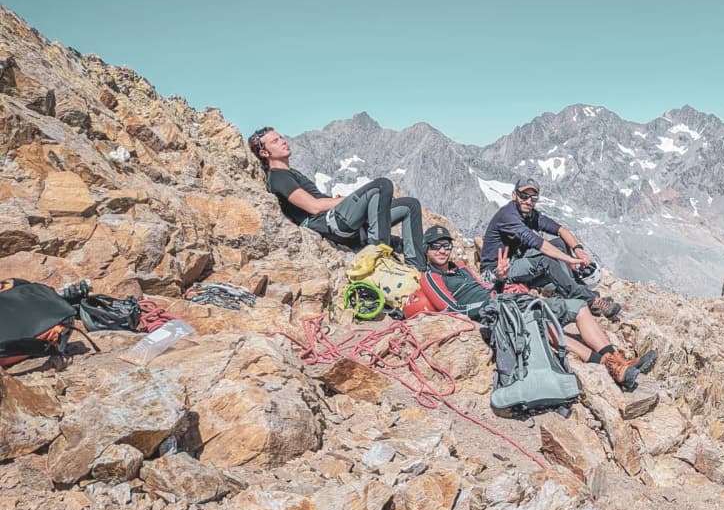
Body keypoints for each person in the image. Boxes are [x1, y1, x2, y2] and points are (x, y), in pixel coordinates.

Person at [422, 226, 655, 389]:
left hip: (508, 300)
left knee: (577, 307)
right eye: (436, 247)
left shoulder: (462, 267)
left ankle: (615, 357)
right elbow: (452, 309)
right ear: (427, 249)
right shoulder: (429, 276)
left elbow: (490, 287)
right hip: (497, 312)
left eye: (446, 245)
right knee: (542, 323)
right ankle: (609, 366)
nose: (442, 250)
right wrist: (492, 299)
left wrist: (502, 281)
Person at [248, 126, 427, 271]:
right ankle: (378, 260)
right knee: (382, 185)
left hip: (342, 219)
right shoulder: (279, 177)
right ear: (264, 153)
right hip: (331, 223)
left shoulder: (290, 172)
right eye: (275, 141)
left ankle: (417, 269)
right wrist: (344, 201)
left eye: (281, 137)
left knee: (409, 205)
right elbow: (314, 207)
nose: (283, 141)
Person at [480, 177, 620, 318]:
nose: (529, 201)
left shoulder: (529, 214)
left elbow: (560, 230)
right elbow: (539, 244)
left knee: (559, 243)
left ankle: (579, 292)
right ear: (514, 195)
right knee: (544, 261)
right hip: (496, 272)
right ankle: (591, 300)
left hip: (515, 262)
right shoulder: (508, 216)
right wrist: (569, 260)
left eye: (533, 198)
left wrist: (578, 250)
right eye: (524, 196)